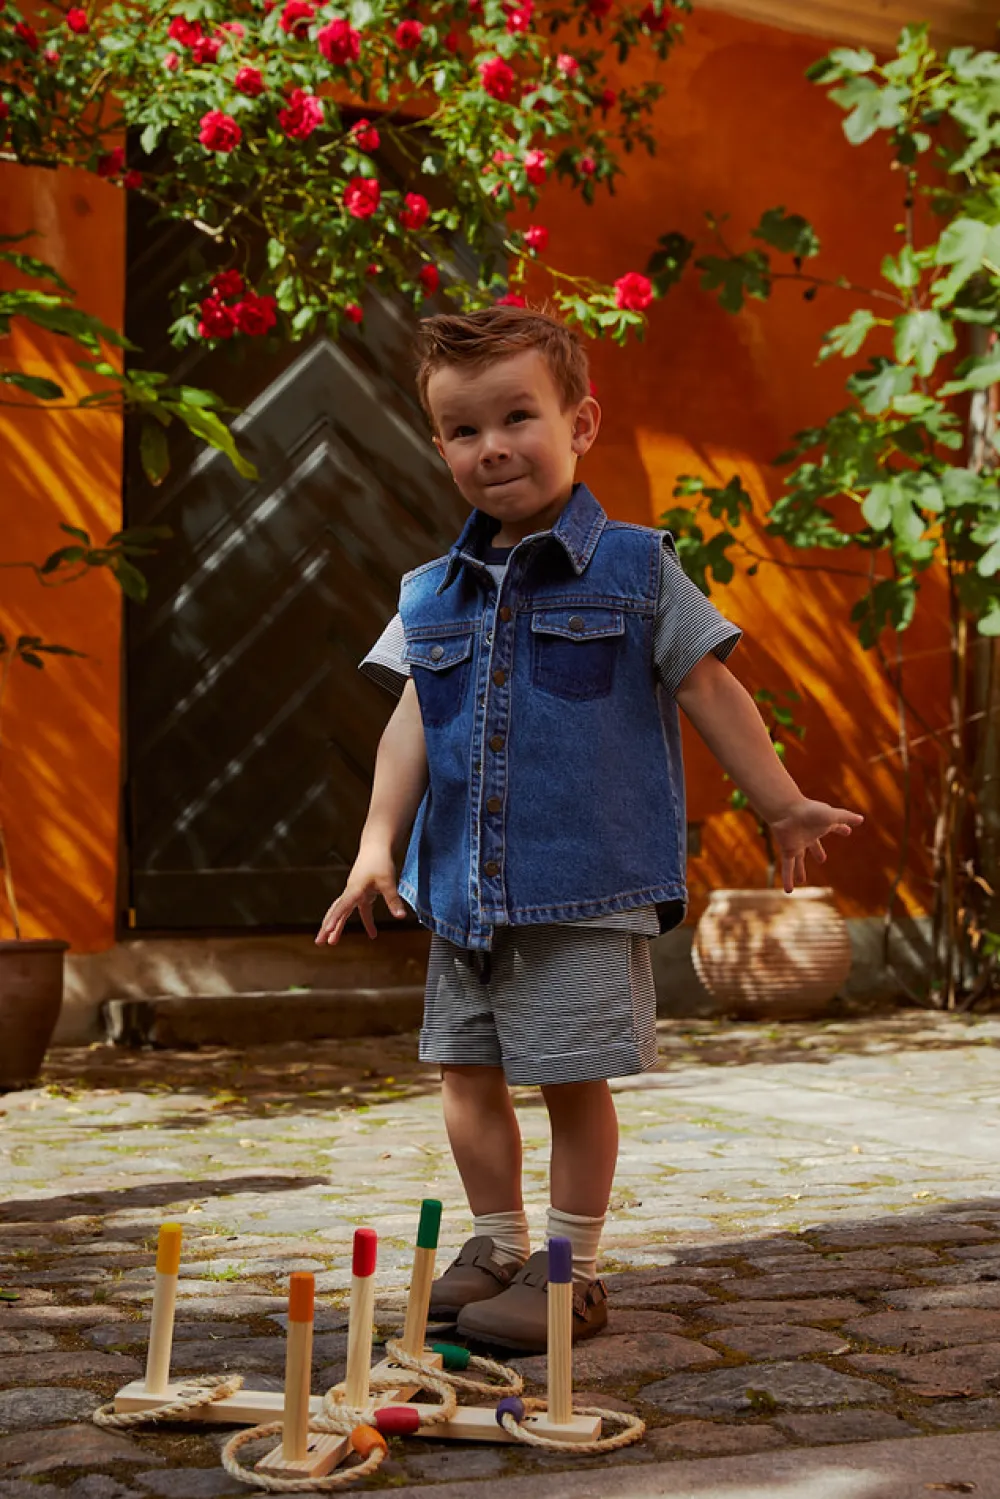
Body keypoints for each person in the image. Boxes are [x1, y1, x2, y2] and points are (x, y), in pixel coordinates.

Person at [316, 305, 863, 1352]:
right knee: (464, 1073)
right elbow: (410, 723)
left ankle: (571, 1272)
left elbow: (709, 686)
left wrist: (781, 800)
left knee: (571, 1079)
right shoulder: (428, 593)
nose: (492, 446)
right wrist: (376, 844)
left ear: (581, 423)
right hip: (461, 890)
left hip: (582, 884)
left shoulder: (637, 568)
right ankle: (496, 1245)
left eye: (517, 417)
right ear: (439, 445)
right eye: (464, 429)